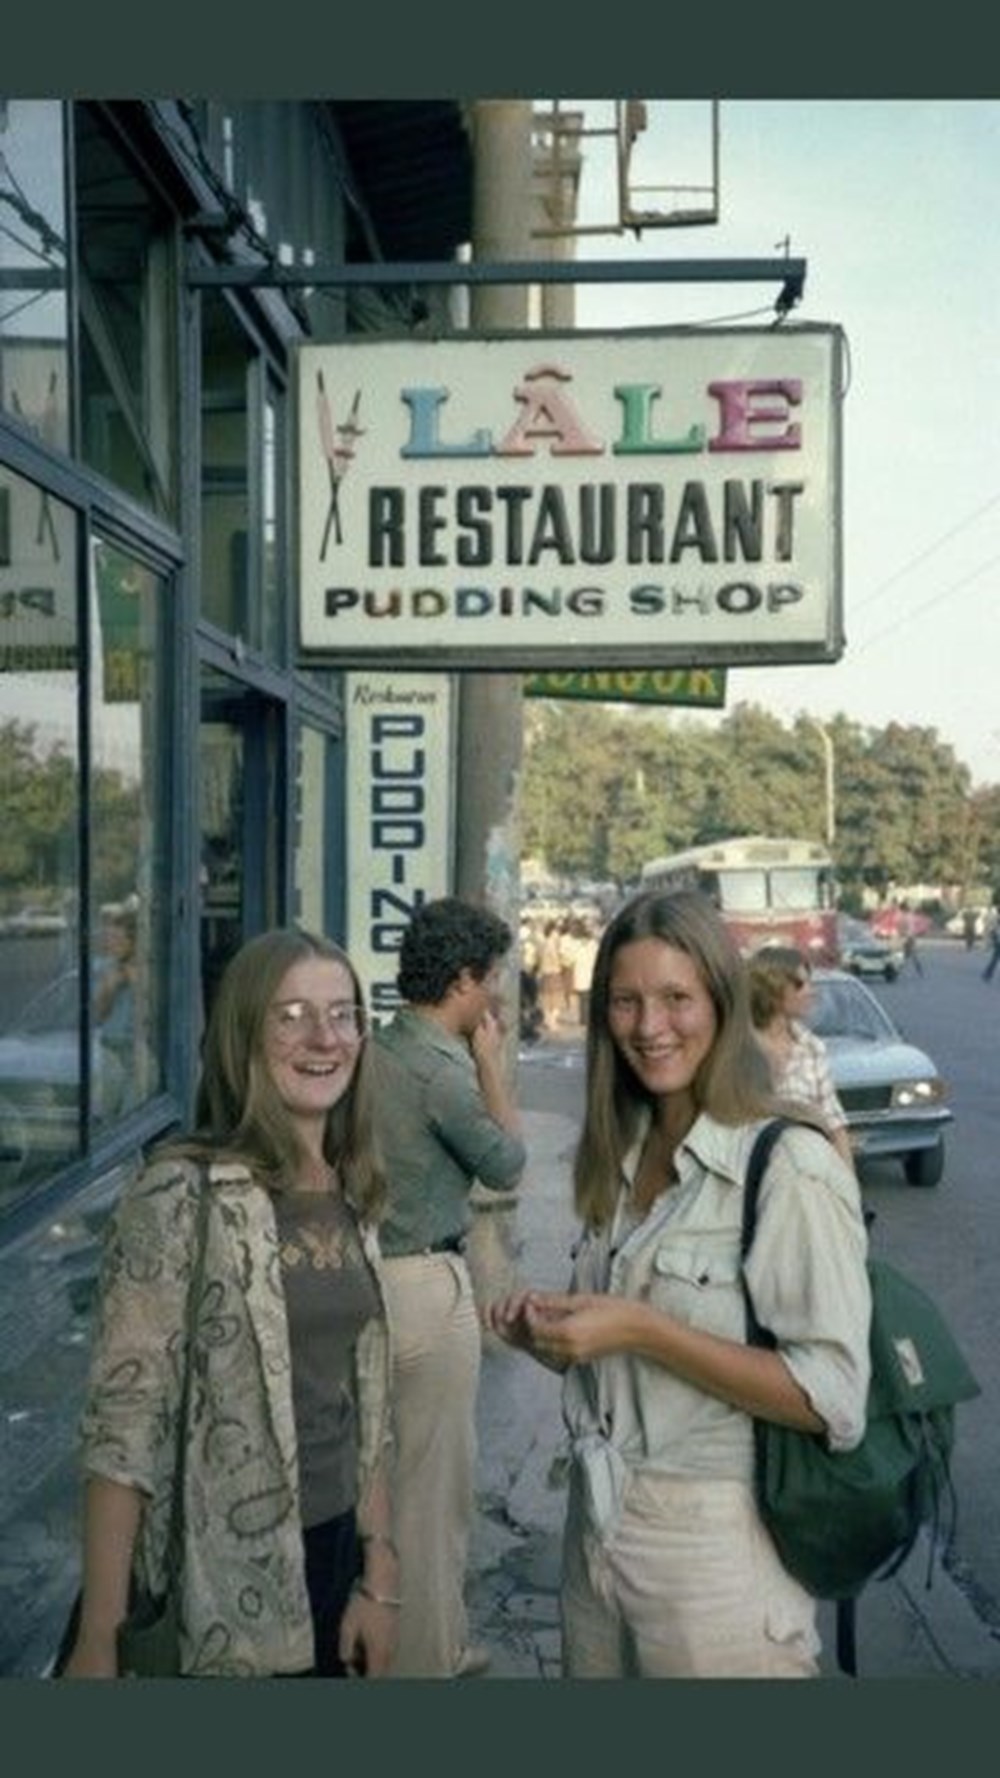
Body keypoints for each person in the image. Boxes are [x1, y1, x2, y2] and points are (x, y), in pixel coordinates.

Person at [488, 888, 871, 1679]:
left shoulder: (788, 1166)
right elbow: (623, 1359)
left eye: (676, 998)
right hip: (592, 1533)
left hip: (714, 1554)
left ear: (722, 1005)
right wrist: (556, 1336)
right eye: (626, 1002)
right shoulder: (621, 1152)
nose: (649, 1026)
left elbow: (834, 1398)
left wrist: (641, 1330)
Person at [60, 927, 398, 1679]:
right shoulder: (182, 1192)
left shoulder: (353, 1189)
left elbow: (365, 1406)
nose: (323, 1037)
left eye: (343, 1014)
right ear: (245, 1032)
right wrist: (100, 1635)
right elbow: (124, 1425)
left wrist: (381, 1575)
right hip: (217, 1578)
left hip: (337, 1554)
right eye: (291, 1015)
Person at [372, 897, 527, 1677]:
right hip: (427, 1284)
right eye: (490, 978)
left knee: (380, 1486)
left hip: (369, 1284)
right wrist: (493, 1065)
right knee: (434, 1495)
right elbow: (506, 1164)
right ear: (463, 979)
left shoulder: (377, 1049)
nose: (495, 995)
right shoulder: (443, 1072)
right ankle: (430, 1659)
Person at [746, 945, 856, 1172]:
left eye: (809, 983)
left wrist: (850, 1194)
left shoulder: (812, 1048)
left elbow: (835, 1126)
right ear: (773, 988)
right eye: (800, 985)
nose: (811, 991)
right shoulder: (739, 1046)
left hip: (806, 1176)